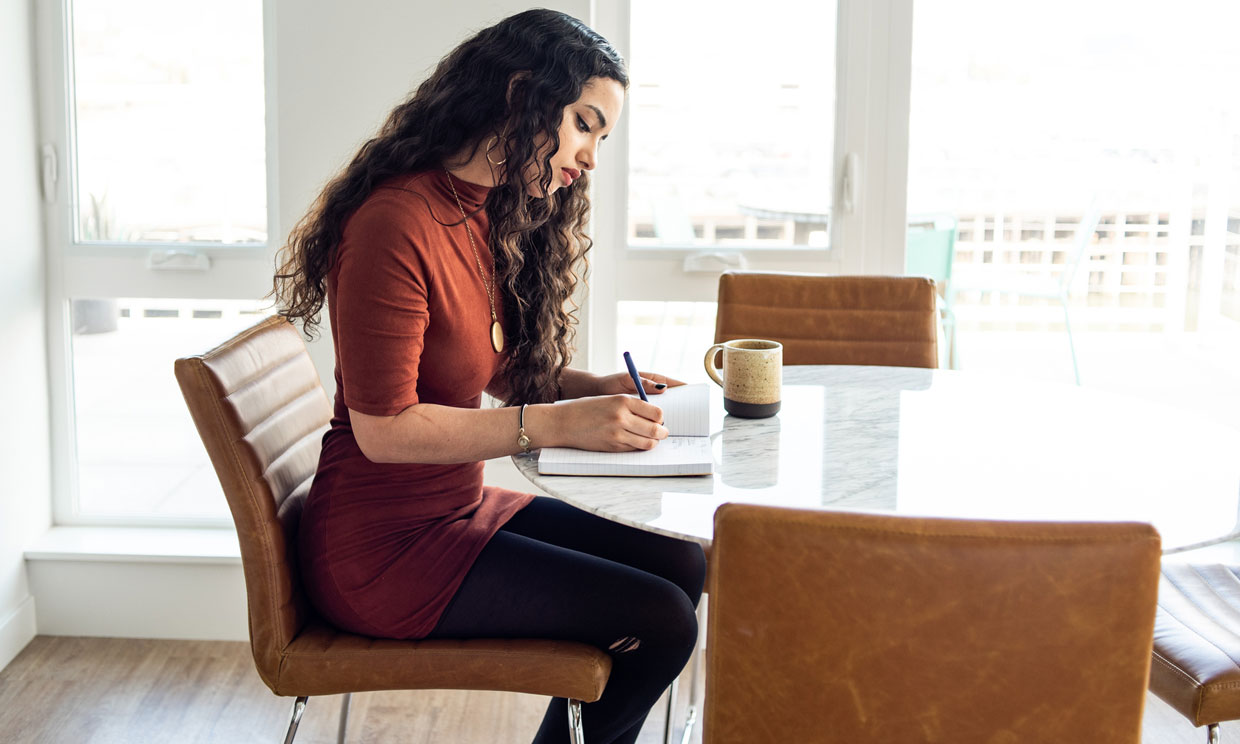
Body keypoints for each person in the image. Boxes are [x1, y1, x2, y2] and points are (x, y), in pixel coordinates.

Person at [272, 9, 706, 744]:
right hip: (383, 554)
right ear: (521, 96)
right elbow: (383, 429)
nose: (590, 157)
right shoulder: (395, 223)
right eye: (583, 124)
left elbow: (488, 363)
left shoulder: (478, 211)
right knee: (660, 621)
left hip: (453, 513)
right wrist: (552, 424)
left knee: (678, 559)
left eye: (601, 136)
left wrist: (589, 387)